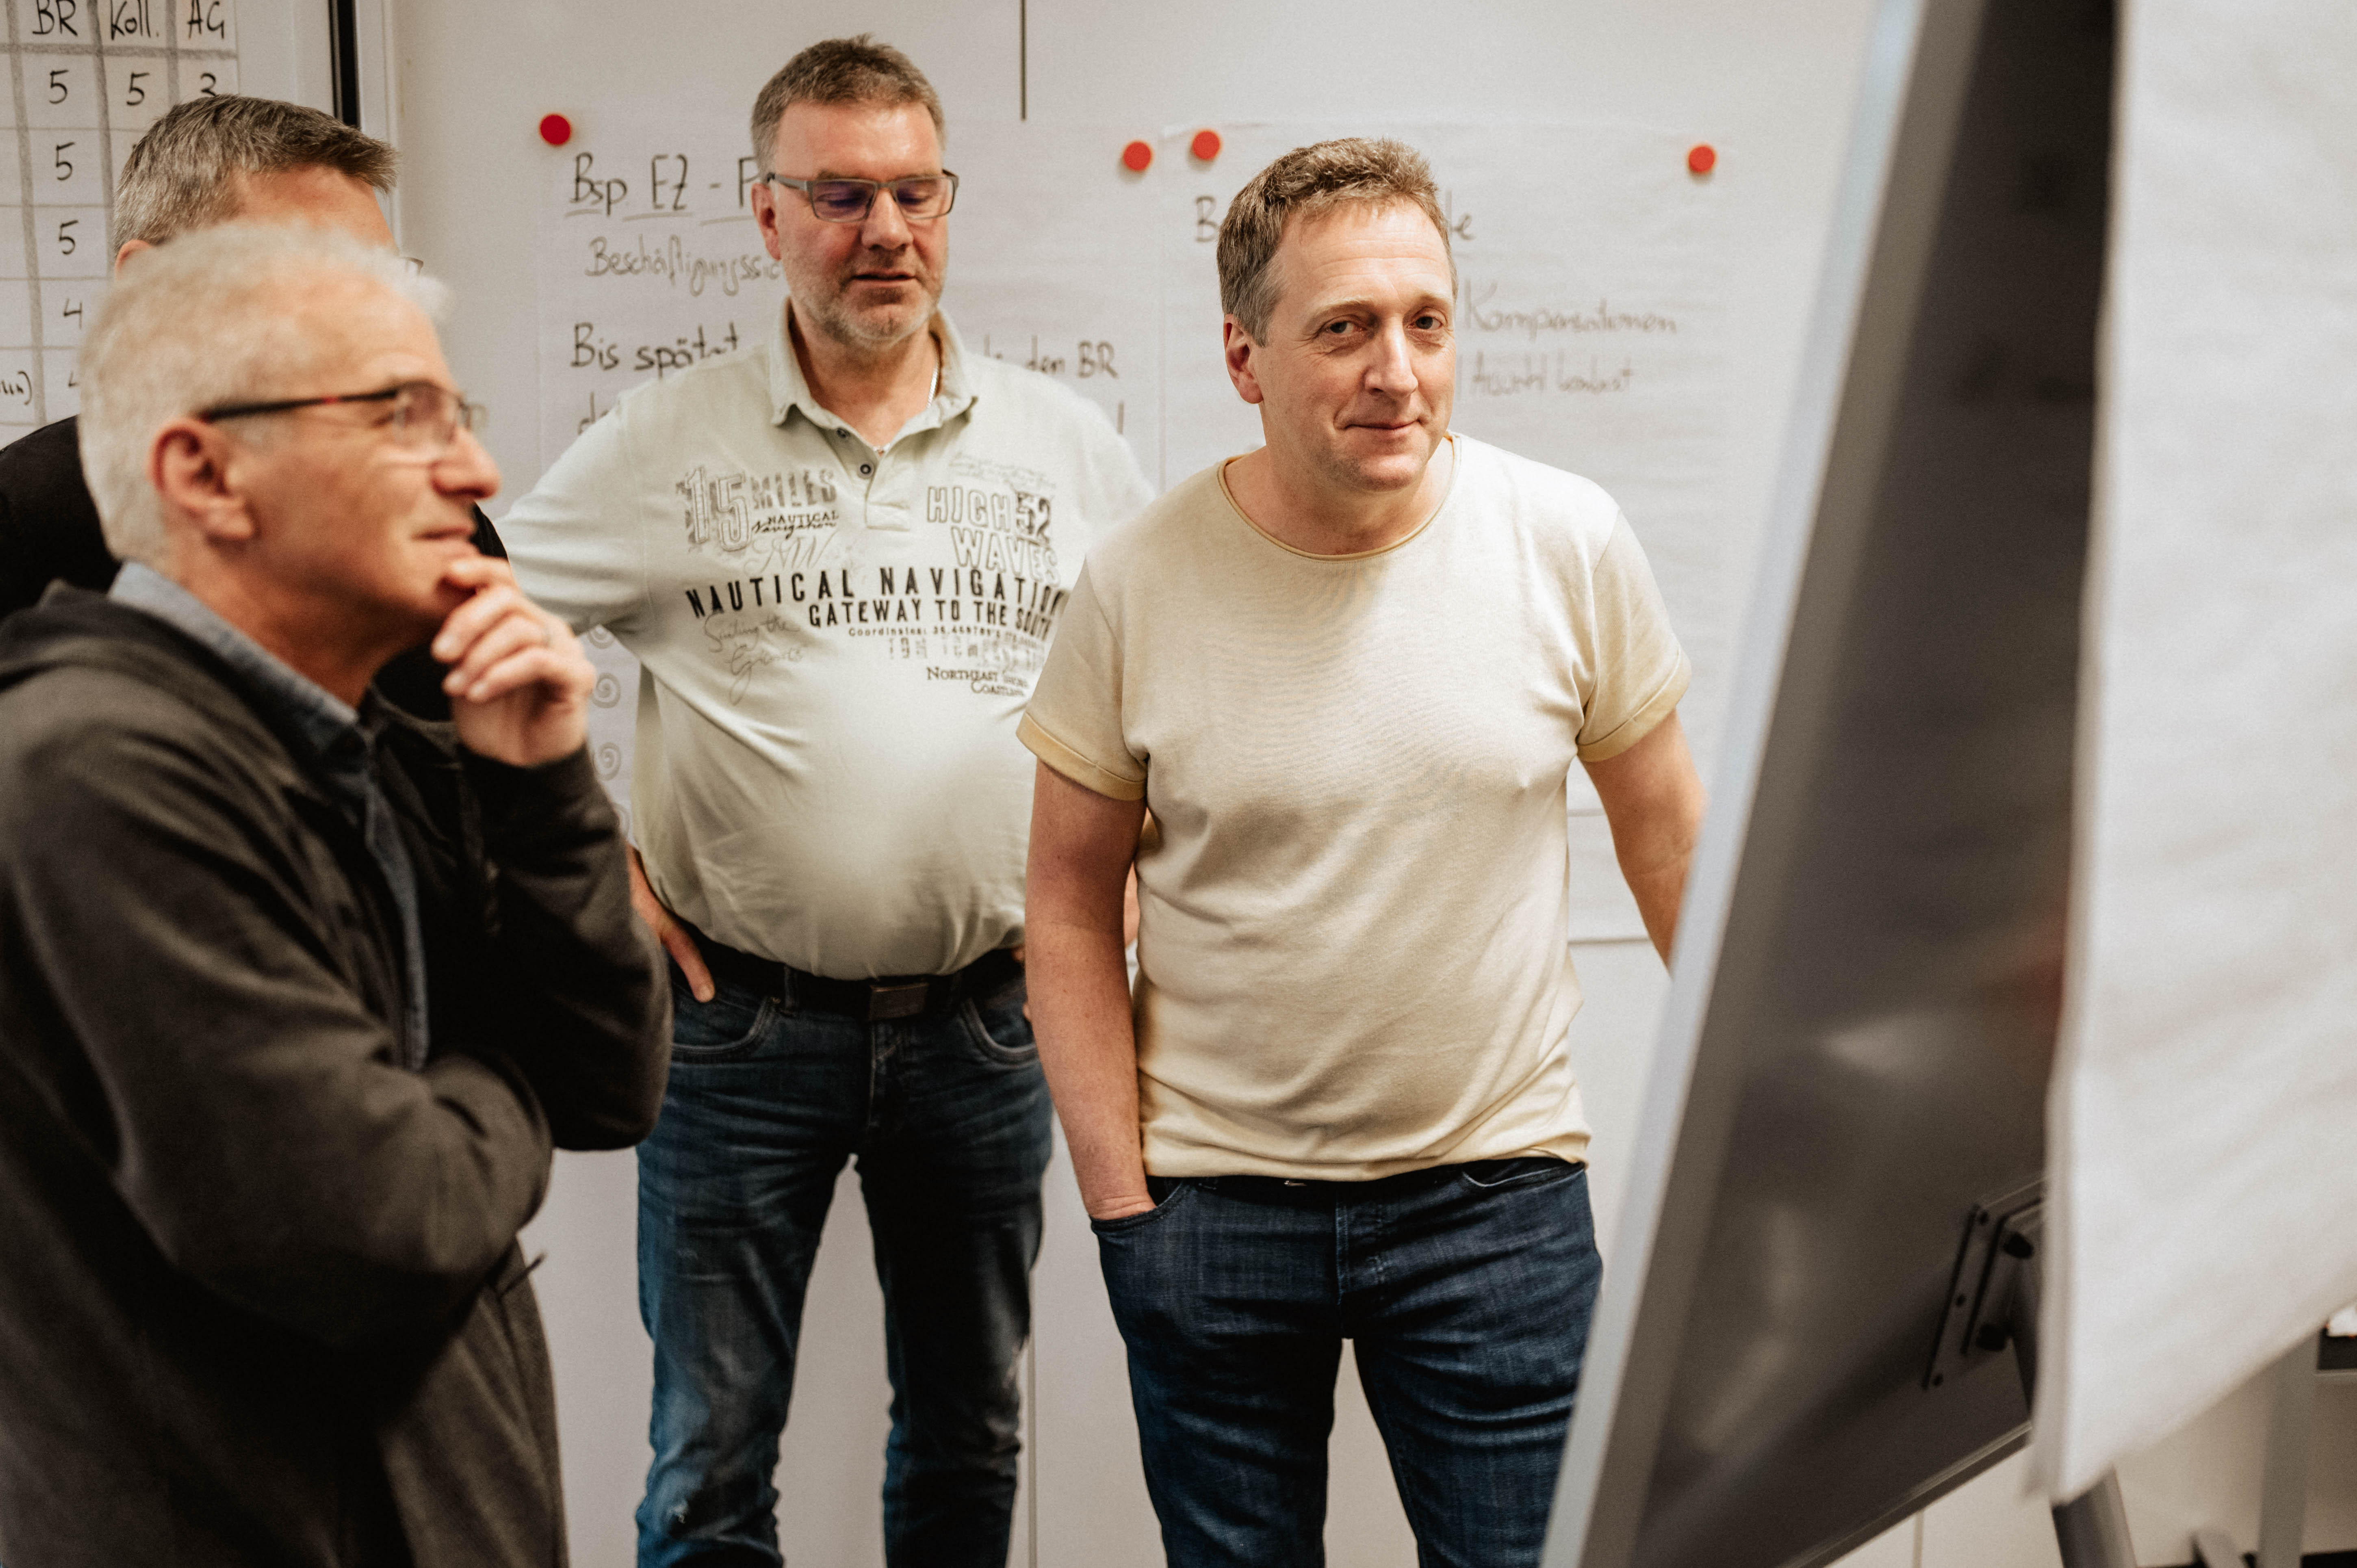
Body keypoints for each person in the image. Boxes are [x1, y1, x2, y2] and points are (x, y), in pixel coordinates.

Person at [497, 35, 1153, 1568]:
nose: (886, 231)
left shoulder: (1066, 447)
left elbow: (1167, 689)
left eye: (916, 192)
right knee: (710, 1453)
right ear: (767, 215)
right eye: (842, 195)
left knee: (968, 1432)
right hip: (736, 1033)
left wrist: (1125, 883)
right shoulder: (661, 443)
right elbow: (446, 641)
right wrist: (592, 866)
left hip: (991, 1025)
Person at [1020, 137, 1710, 1568]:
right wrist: (1121, 1204)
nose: (1398, 371)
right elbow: (1069, 904)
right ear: (1244, 356)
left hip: (1495, 1207)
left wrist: (1773, 1114)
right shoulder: (1136, 581)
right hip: (1213, 1213)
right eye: (1344, 329)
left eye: (1426, 322)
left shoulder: (1566, 541)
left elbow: (1672, 850)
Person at [0, 225, 670, 1567]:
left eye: (458, 417)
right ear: (207, 474)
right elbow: (377, 1227)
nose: (475, 472)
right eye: (399, 417)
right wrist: (503, 1072)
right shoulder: (95, 768)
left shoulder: (361, 740)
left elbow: (611, 1082)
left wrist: (541, 788)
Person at [0, 93, 505, 718]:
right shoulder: (20, 519)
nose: (372, 316)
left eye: (384, 281)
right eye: (319, 277)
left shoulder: (442, 529)